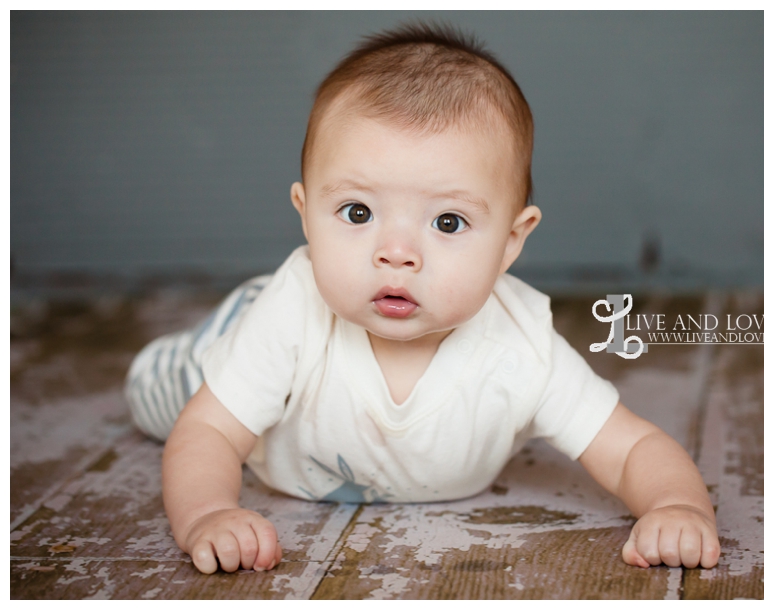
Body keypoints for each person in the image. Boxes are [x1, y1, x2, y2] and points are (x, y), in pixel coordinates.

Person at [125, 23, 720, 575]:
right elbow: (207, 430)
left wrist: (676, 505)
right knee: (168, 400)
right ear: (306, 216)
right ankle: (175, 360)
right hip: (244, 334)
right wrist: (206, 513)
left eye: (449, 222)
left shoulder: (521, 346)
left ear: (512, 241)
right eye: (357, 213)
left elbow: (631, 445)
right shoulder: (292, 313)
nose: (397, 253)